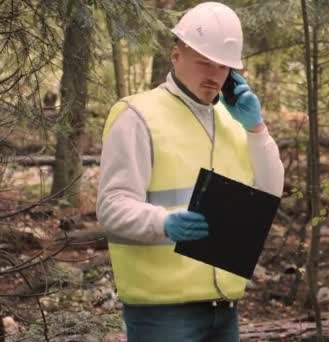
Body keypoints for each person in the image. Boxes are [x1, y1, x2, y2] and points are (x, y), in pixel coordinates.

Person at [96, 2, 284, 341]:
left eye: (223, 67)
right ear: (175, 55)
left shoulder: (234, 121)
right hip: (162, 313)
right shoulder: (137, 116)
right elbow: (111, 208)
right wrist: (164, 223)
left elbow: (268, 192)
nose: (214, 75)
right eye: (203, 63)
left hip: (224, 308)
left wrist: (256, 130)